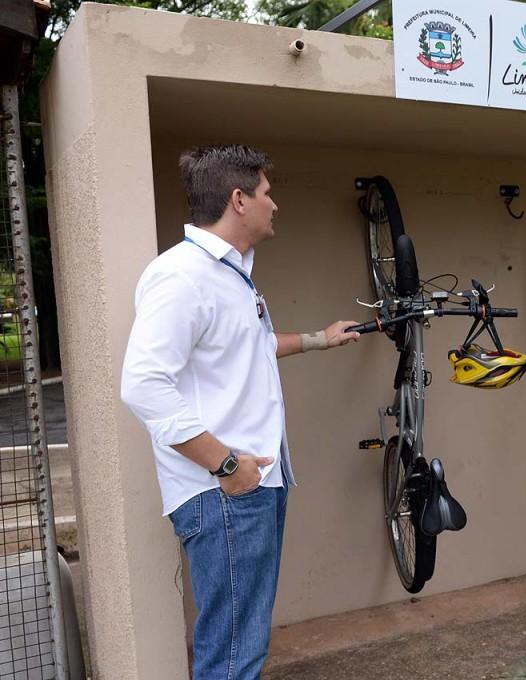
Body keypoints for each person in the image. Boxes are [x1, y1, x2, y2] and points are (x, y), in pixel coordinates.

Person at [120, 145, 360, 679]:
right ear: (239, 199)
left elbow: (250, 345)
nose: (274, 205)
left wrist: (321, 339)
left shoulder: (230, 275)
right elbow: (142, 383)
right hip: (226, 492)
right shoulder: (182, 275)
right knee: (232, 656)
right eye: (267, 193)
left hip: (251, 487)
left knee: (242, 646)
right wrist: (227, 466)